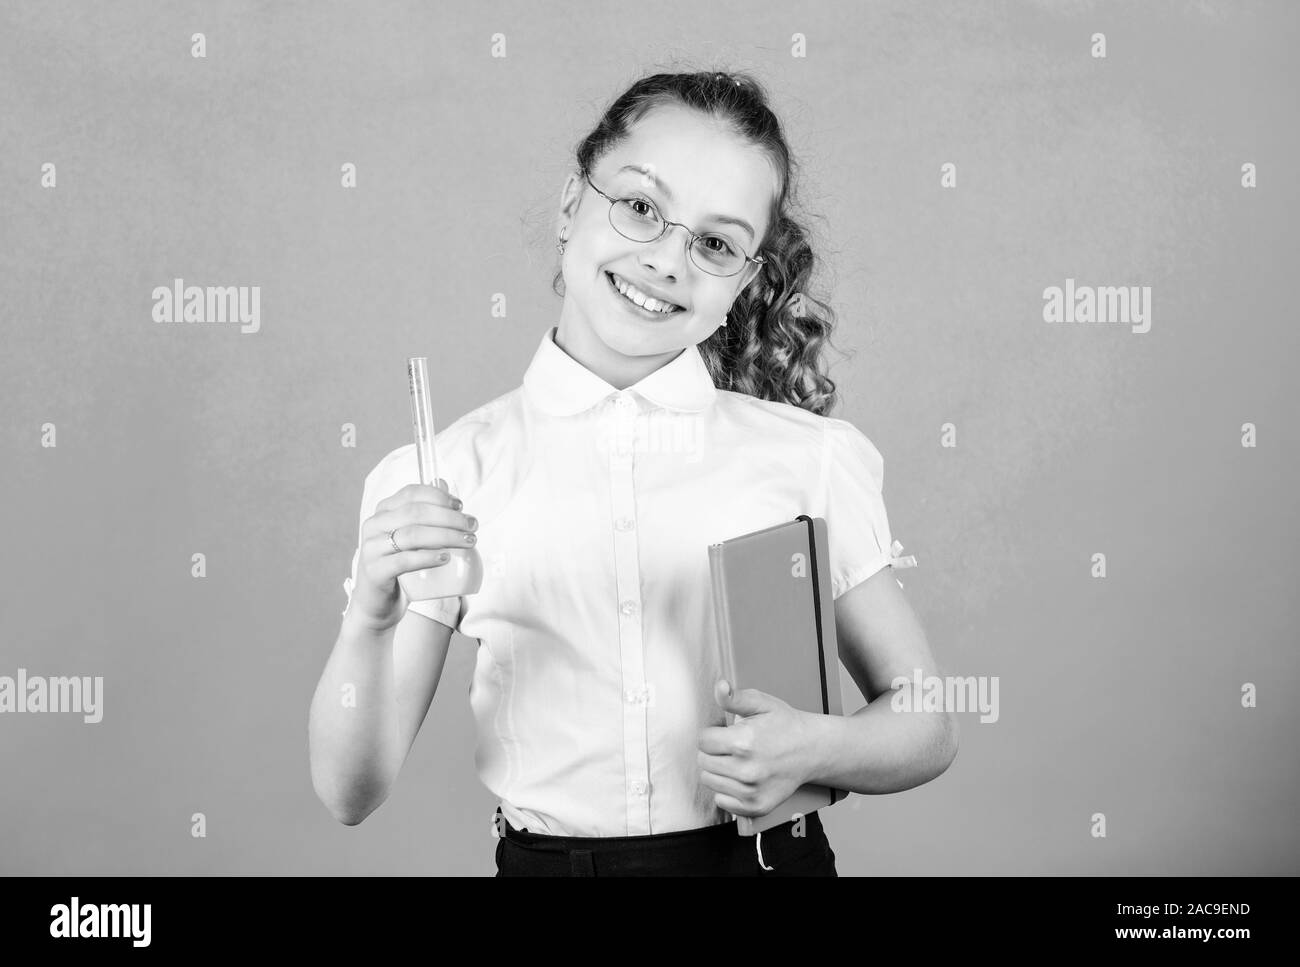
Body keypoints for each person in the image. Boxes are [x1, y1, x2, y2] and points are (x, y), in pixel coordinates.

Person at [309, 69, 958, 876]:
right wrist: (368, 619)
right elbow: (348, 791)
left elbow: (927, 722)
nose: (665, 261)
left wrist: (819, 745)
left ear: (744, 281)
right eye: (642, 207)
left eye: (715, 243)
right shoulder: (443, 476)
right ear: (571, 206)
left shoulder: (807, 459)